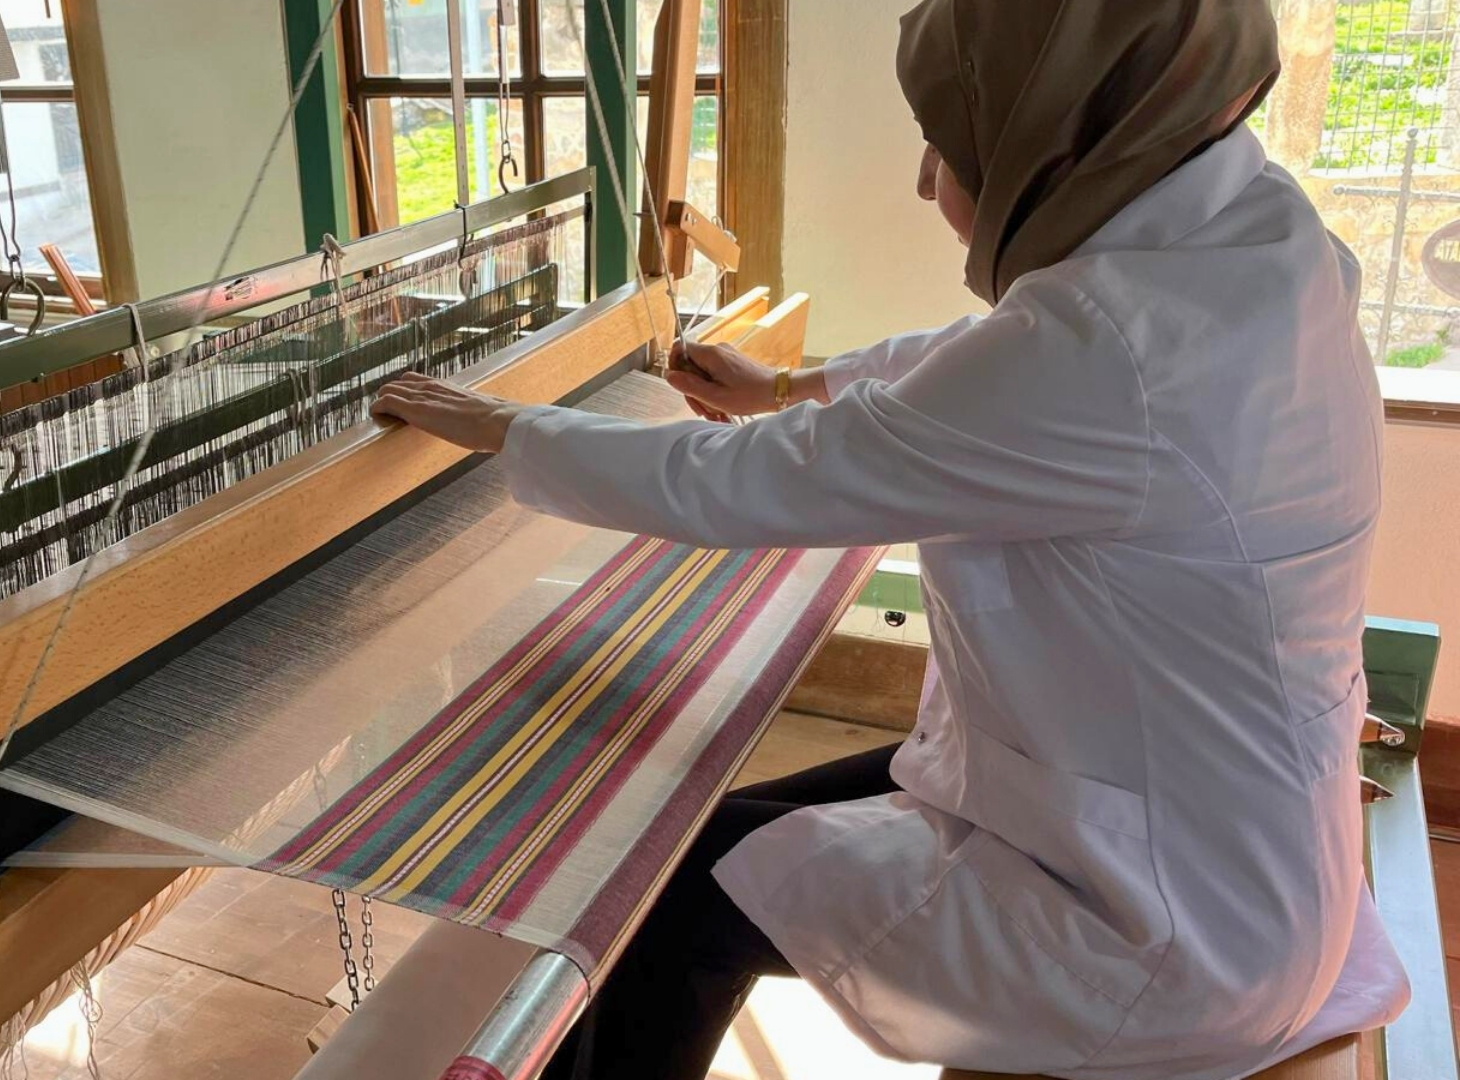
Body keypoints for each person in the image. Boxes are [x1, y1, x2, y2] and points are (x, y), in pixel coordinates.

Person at [370, 1, 1411, 1077]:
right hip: (1226, 832)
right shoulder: (1257, 230)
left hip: (1168, 925)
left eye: (946, 145)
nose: (924, 180)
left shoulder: (1105, 357)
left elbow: (744, 485)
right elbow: (994, 354)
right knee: (700, 843)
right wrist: (790, 384)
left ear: (1052, 139)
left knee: (675, 904)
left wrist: (509, 431)